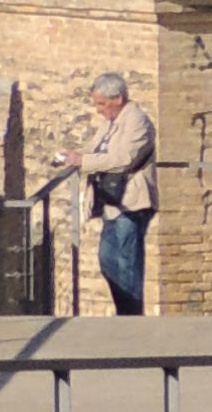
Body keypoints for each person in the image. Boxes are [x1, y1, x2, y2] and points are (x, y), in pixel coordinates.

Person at [63, 69, 156, 315]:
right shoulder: (111, 122)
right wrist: (72, 155)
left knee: (126, 264)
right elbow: (95, 149)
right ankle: (124, 312)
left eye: (102, 103)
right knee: (107, 261)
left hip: (131, 203)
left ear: (118, 98)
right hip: (112, 203)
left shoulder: (137, 121)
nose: (99, 109)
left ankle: (130, 317)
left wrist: (83, 161)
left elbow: (123, 158)